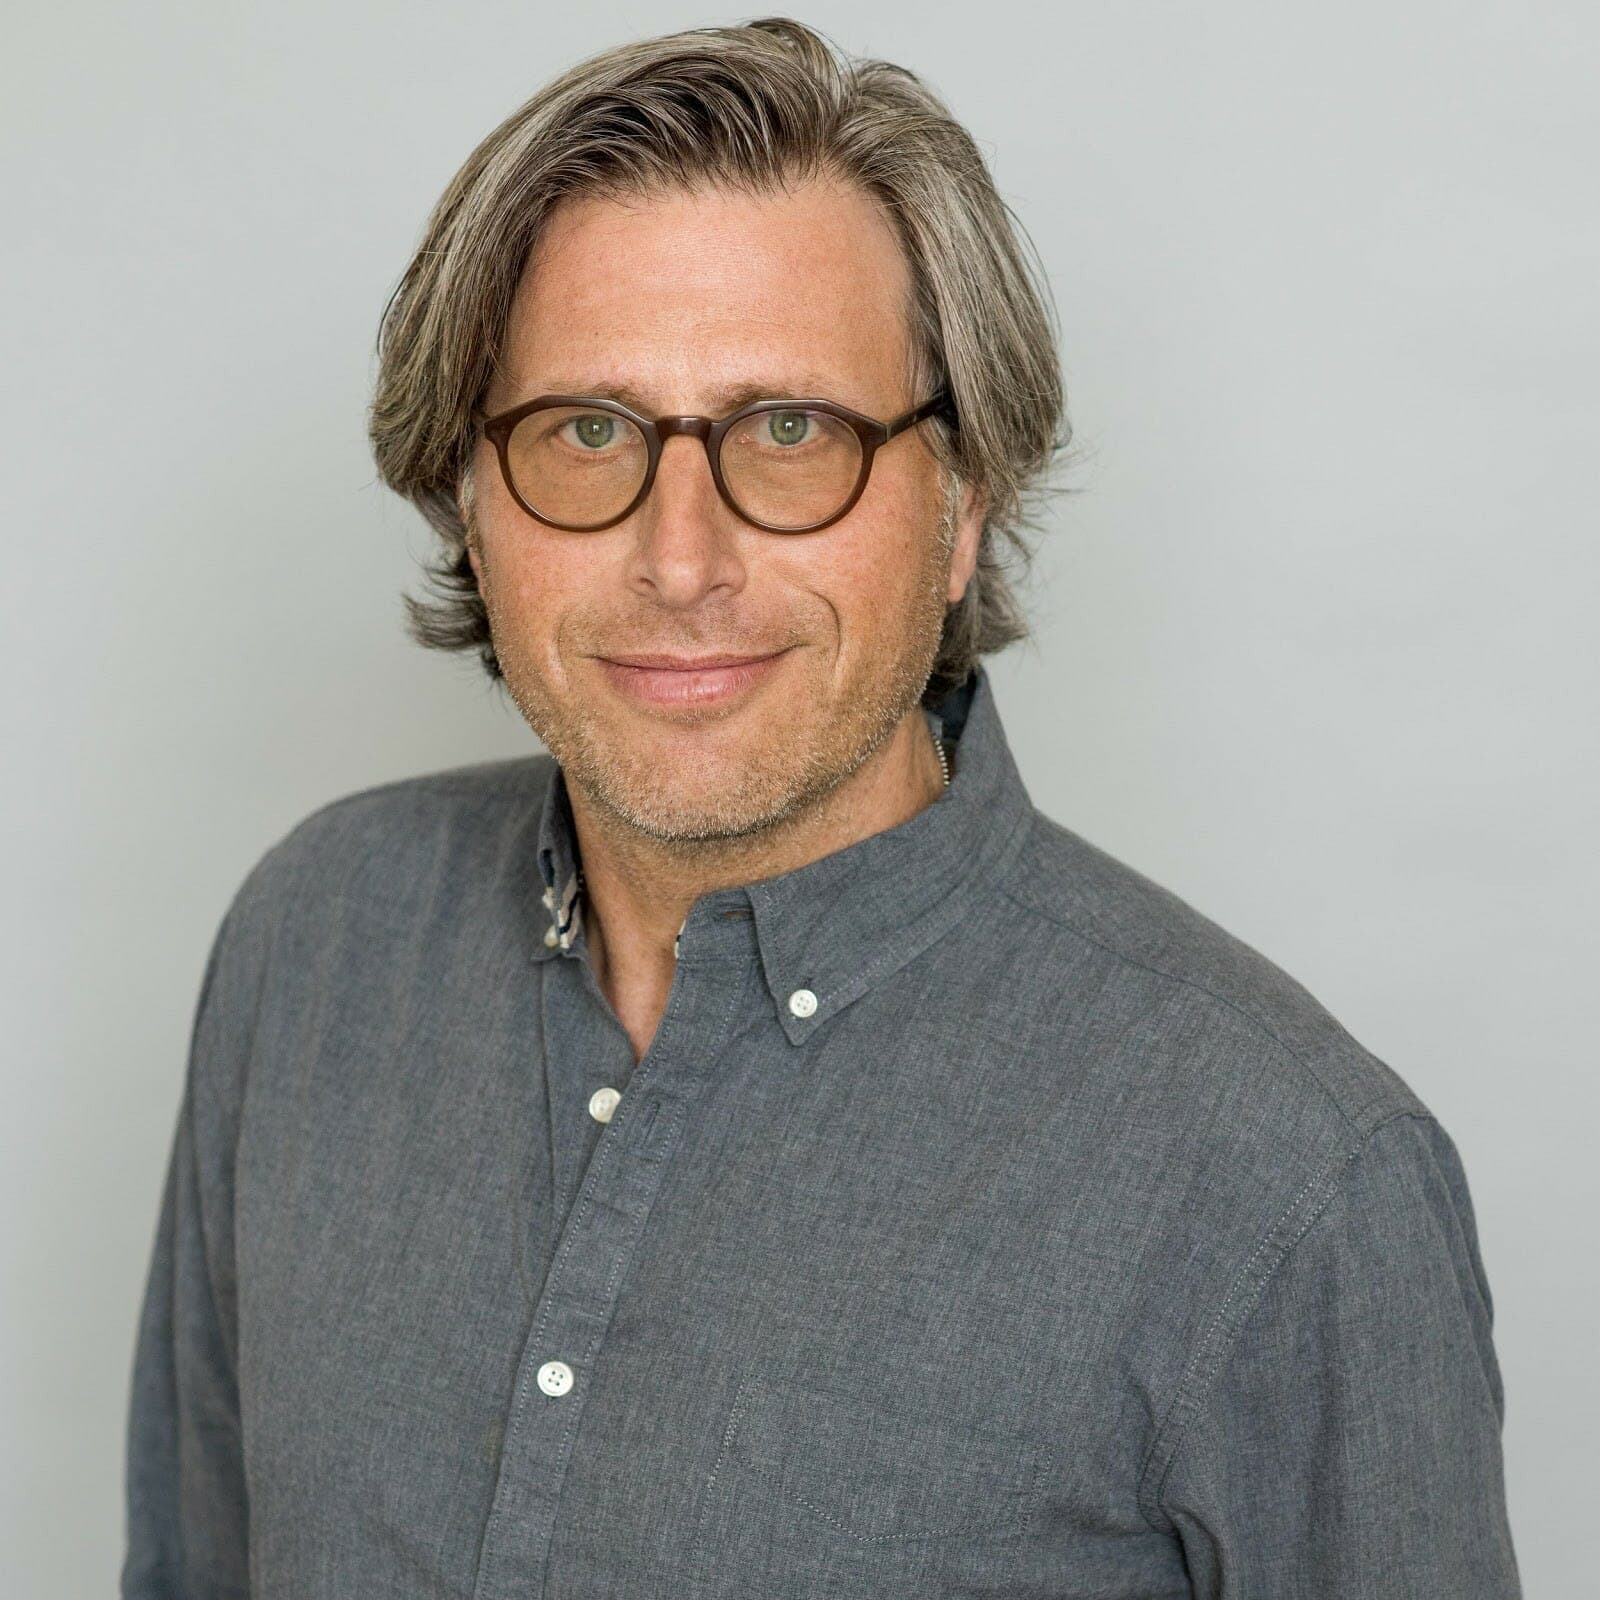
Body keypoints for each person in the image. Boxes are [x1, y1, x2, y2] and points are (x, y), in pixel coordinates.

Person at [121, 17, 1521, 1598]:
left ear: (964, 504)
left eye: (793, 432)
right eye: (588, 431)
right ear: (470, 496)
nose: (681, 561)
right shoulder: (316, 946)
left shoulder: (1290, 1179)